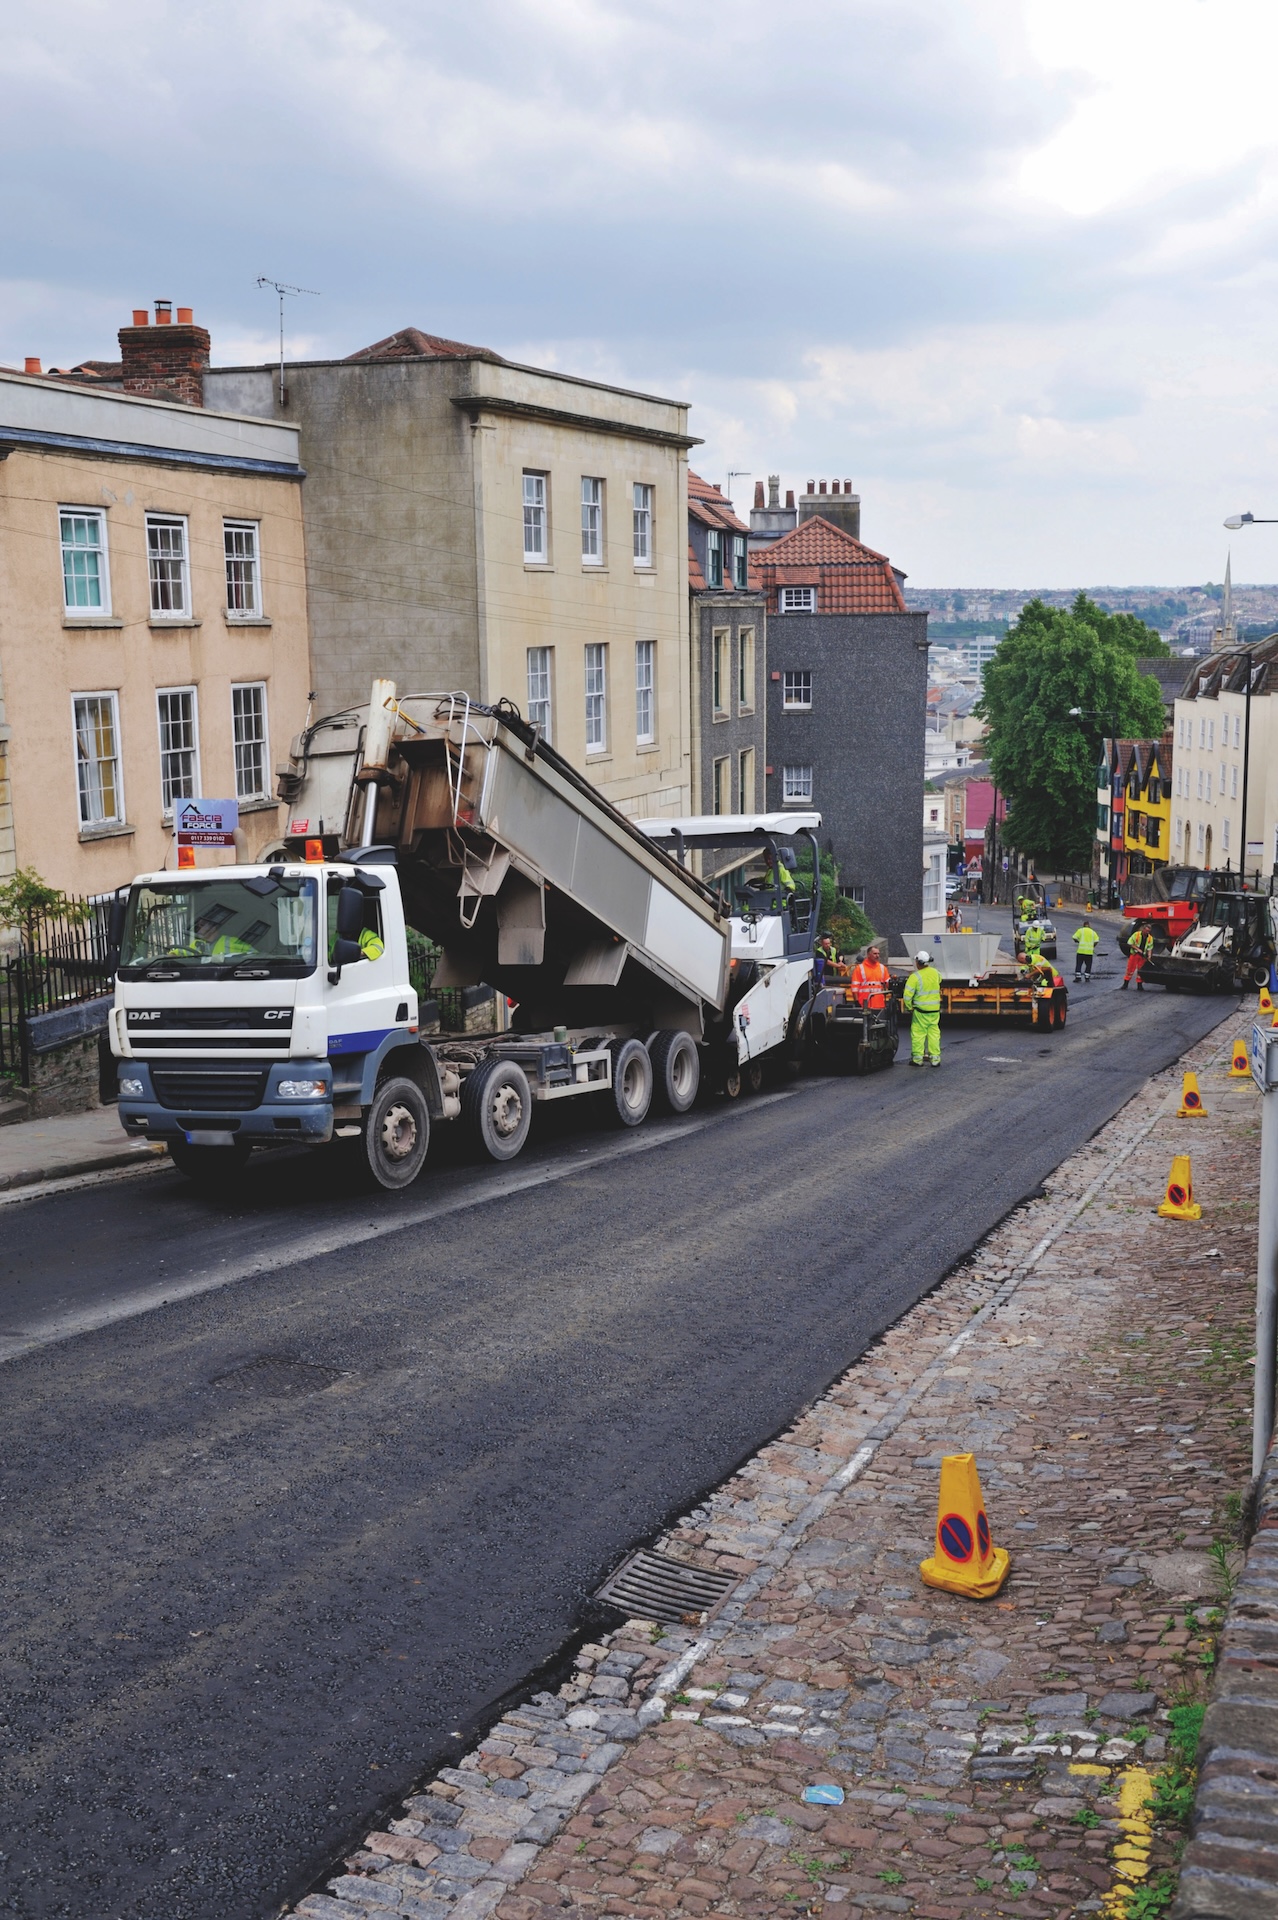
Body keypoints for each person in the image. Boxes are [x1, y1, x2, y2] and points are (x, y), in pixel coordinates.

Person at [903, 949, 942, 1068]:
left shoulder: (915, 977)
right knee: (934, 1034)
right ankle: (935, 1059)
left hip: (920, 1011)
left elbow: (907, 996)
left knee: (918, 1034)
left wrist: (909, 1007)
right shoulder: (936, 973)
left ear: (918, 963)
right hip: (934, 1011)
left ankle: (917, 1059)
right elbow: (939, 981)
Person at [851, 944, 891, 1009]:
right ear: (868, 955)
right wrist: (856, 1001)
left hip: (879, 1004)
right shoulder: (859, 968)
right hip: (864, 1004)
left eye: (878, 954)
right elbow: (855, 987)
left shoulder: (882, 968)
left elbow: (888, 983)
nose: (877, 956)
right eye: (875, 954)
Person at [1121, 922, 1154, 990]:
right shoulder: (1136, 935)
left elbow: (1150, 948)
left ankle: (1139, 985)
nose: (1147, 932)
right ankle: (1125, 984)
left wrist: (1149, 956)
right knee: (1130, 969)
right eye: (1146, 931)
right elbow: (1130, 943)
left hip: (1143, 956)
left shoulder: (1150, 938)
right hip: (1135, 954)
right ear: (1143, 929)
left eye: (1148, 931)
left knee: (1141, 971)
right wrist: (1137, 949)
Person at [1072, 916, 1100, 983]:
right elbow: (1096, 940)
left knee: (1079, 964)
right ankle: (1087, 977)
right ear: (1089, 926)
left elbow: (1074, 937)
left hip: (1080, 952)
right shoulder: (1093, 932)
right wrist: (1093, 946)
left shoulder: (1080, 930)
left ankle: (1078, 977)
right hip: (1089, 952)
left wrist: (1078, 941)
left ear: (1083, 925)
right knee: (1088, 965)